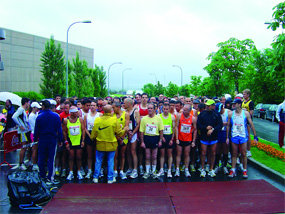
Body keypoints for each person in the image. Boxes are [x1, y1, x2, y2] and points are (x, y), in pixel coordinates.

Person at [91, 105, 127, 184]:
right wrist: (125, 129)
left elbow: (94, 133)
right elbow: (119, 133)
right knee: (110, 161)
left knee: (98, 161)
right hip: (111, 144)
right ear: (111, 111)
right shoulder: (114, 120)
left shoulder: (97, 120)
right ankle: (110, 178)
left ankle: (95, 177)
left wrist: (92, 138)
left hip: (100, 144)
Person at [226, 99, 258, 178]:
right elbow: (228, 126)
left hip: (243, 135)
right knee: (234, 153)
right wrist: (227, 137)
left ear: (239, 104)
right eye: (233, 104)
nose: (233, 105)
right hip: (234, 135)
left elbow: (251, 124)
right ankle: (233, 169)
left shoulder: (246, 113)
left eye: (235, 104)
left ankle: (244, 170)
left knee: (244, 154)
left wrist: (255, 136)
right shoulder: (230, 114)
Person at [34, 100, 63, 184]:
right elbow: (59, 129)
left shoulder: (39, 116)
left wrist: (35, 140)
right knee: (51, 158)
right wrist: (60, 139)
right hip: (52, 139)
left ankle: (42, 175)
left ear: (43, 106)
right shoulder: (56, 116)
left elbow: (36, 130)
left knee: (41, 158)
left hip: (42, 139)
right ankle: (50, 177)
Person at [197, 99, 223, 177]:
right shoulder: (202, 114)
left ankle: (211, 169)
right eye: (207, 106)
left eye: (209, 105)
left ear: (213, 106)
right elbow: (199, 125)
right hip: (204, 136)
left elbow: (220, 125)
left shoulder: (217, 114)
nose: (208, 107)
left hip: (214, 136)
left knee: (213, 153)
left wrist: (212, 130)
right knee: (203, 153)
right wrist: (206, 128)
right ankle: (202, 169)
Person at [139, 103, 164, 179]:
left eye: (151, 108)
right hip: (147, 138)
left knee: (154, 156)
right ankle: (147, 171)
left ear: (154, 109)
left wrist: (160, 140)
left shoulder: (158, 118)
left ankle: (153, 171)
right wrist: (142, 142)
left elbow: (161, 131)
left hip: (155, 138)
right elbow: (141, 131)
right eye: (148, 108)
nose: (149, 110)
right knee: (147, 156)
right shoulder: (144, 119)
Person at [63, 106, 85, 181]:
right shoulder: (66, 120)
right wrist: (66, 142)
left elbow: (83, 130)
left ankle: (79, 171)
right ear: (71, 113)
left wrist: (83, 140)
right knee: (71, 157)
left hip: (78, 140)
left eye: (77, 112)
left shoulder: (80, 119)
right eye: (75, 112)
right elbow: (64, 132)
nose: (77, 113)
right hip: (70, 141)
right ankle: (71, 172)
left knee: (79, 157)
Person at [175, 104, 197, 177]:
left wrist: (193, 140)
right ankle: (177, 169)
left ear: (189, 111)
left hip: (188, 139)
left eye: (185, 110)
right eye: (183, 109)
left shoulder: (193, 118)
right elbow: (176, 127)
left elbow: (195, 129)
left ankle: (186, 169)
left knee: (187, 154)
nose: (183, 111)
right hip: (180, 138)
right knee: (179, 154)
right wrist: (177, 138)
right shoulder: (179, 116)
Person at [83, 101, 102, 179]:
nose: (92, 107)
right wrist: (89, 135)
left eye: (94, 105)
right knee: (89, 154)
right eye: (91, 105)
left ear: (97, 107)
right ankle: (90, 170)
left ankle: (98, 170)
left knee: (98, 155)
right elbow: (84, 127)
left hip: (98, 135)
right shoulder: (86, 115)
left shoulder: (100, 115)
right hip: (89, 135)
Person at [12, 97, 31, 170]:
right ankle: (20, 163)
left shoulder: (23, 110)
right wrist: (20, 125)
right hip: (22, 132)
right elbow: (14, 117)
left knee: (25, 147)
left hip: (25, 131)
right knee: (23, 147)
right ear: (26, 103)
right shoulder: (20, 109)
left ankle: (23, 162)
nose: (29, 104)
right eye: (28, 103)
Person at [158, 103, 176, 178]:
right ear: (162, 109)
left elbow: (174, 128)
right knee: (162, 154)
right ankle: (161, 169)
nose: (165, 110)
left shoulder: (172, 117)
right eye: (164, 109)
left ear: (169, 109)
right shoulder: (159, 117)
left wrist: (172, 139)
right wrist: (161, 138)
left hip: (169, 136)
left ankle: (169, 170)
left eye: (167, 109)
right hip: (162, 136)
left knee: (169, 154)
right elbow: (158, 128)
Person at [113, 102, 130, 180]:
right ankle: (115, 170)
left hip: (123, 137)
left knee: (122, 154)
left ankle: (122, 171)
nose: (112, 109)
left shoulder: (126, 114)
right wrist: (117, 137)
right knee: (115, 155)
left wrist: (122, 137)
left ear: (118, 107)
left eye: (114, 108)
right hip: (114, 137)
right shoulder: (112, 115)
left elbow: (126, 127)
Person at [124, 98, 140, 178]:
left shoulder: (135, 112)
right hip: (127, 133)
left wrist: (132, 133)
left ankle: (135, 169)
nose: (123, 105)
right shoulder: (125, 112)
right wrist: (127, 132)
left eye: (125, 103)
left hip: (133, 134)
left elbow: (138, 124)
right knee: (127, 151)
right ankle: (130, 167)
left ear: (129, 104)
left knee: (133, 151)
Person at [28, 102, 41, 171]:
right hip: (34, 133)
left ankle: (35, 163)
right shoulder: (31, 116)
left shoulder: (35, 114)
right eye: (36, 108)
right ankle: (34, 164)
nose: (37, 109)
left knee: (36, 149)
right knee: (34, 149)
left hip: (37, 133)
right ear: (33, 108)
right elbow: (35, 126)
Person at [242, 89, 254, 157]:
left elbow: (251, 113)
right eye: (243, 94)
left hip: (248, 121)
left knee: (248, 135)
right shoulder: (243, 102)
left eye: (244, 94)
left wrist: (246, 111)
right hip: (243, 120)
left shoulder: (250, 102)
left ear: (248, 95)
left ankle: (248, 150)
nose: (243, 95)